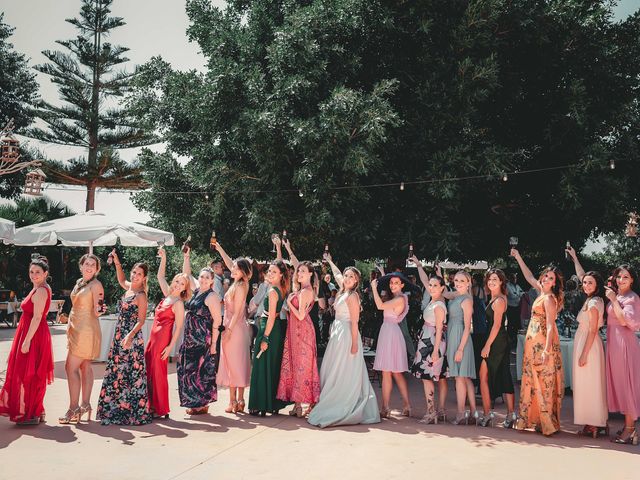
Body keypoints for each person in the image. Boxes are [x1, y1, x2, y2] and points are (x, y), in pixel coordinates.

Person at [308, 254, 380, 428]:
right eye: (346, 276)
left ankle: (342, 402)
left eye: (351, 277)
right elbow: (338, 274)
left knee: (342, 368)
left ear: (356, 281)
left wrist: (355, 344)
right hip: (337, 333)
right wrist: (331, 261)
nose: (347, 278)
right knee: (334, 367)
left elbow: (355, 322)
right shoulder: (344, 291)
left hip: (347, 334)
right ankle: (330, 396)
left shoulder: (352, 296)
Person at [511, 248, 564, 436]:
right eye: (545, 277)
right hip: (532, 344)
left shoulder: (549, 298)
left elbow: (550, 326)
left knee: (543, 380)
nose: (546, 280)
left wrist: (547, 350)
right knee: (532, 380)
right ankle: (533, 418)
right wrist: (518, 257)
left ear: (555, 282)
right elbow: (529, 276)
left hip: (542, 344)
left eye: (551, 278)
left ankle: (546, 421)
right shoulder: (540, 292)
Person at [96, 252, 152, 425]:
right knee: (117, 371)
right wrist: (117, 262)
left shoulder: (141, 295)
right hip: (120, 334)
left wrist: (129, 336)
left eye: (139, 274)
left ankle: (131, 412)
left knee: (130, 373)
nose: (135, 275)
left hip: (131, 337)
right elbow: (121, 279)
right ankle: (116, 409)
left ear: (144, 278)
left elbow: (142, 320)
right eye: (134, 272)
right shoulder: (128, 288)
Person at [0, 255, 53, 425]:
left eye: (38, 272)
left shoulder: (41, 290)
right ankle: (37, 410)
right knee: (30, 372)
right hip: (32, 333)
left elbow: (37, 317)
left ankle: (31, 413)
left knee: (28, 373)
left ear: (45, 273)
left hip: (33, 335)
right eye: (31, 271)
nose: (34, 275)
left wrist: (26, 341)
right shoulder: (39, 288)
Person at [565, 246, 608, 437]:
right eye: (584, 283)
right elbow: (583, 275)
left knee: (589, 384)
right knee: (588, 383)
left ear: (597, 285)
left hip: (588, 344)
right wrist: (574, 257)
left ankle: (594, 423)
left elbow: (592, 330)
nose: (585, 285)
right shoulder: (593, 299)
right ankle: (595, 422)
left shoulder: (593, 303)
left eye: (590, 283)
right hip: (587, 342)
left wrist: (583, 353)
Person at [59, 254, 105, 424]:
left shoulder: (96, 285)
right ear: (81, 266)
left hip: (86, 330)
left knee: (70, 367)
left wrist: (101, 309)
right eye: (86, 264)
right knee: (85, 366)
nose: (89, 267)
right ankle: (85, 405)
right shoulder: (80, 282)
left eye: (93, 265)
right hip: (76, 327)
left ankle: (73, 408)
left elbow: (98, 309)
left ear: (97, 269)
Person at [145, 247, 189, 420]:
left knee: (158, 373)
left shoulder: (178, 303)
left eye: (182, 284)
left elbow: (178, 327)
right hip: (152, 339)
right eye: (177, 281)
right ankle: (150, 405)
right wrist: (164, 257)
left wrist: (170, 347)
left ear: (185, 288)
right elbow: (159, 277)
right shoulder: (167, 296)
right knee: (150, 370)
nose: (178, 285)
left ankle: (161, 408)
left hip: (163, 340)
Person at [179, 247, 223, 415]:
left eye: (207, 277)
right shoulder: (197, 291)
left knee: (199, 371)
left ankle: (200, 404)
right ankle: (198, 403)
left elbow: (217, 321)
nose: (203, 279)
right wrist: (187, 257)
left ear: (212, 280)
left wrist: (213, 344)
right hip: (190, 337)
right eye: (202, 276)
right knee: (191, 370)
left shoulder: (211, 296)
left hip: (202, 339)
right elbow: (186, 275)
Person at [213, 242, 252, 414]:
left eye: (236, 268)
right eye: (233, 268)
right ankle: (233, 401)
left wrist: (228, 330)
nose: (233, 270)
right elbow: (229, 262)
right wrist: (220, 247)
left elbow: (237, 312)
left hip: (235, 327)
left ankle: (239, 400)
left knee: (237, 363)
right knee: (230, 363)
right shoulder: (237, 283)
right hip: (230, 326)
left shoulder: (242, 285)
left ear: (243, 271)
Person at [277, 261, 321, 416]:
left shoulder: (306, 291)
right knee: (296, 366)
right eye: (298, 271)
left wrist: (289, 302)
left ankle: (307, 403)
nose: (299, 274)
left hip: (303, 332)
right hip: (295, 331)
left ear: (310, 274)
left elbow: (301, 315)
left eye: (303, 271)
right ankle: (297, 405)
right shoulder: (301, 290)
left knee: (304, 366)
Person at [248, 260, 290, 416]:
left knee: (261, 365)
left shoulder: (273, 291)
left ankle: (261, 404)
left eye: (274, 272)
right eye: (269, 271)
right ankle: (269, 403)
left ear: (281, 275)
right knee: (271, 366)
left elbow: (271, 316)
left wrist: (265, 337)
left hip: (269, 328)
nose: (270, 274)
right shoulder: (280, 288)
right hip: (276, 328)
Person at [604, 264, 640, 445]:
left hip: (624, 345)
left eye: (625, 277)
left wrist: (614, 301)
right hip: (614, 344)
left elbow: (629, 322)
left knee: (627, 385)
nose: (621, 280)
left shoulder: (632, 298)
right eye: (619, 276)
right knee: (619, 384)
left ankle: (631, 429)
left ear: (632, 279)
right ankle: (629, 426)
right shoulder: (618, 296)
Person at [371, 273, 412, 418]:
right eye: (391, 283)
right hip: (387, 331)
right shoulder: (395, 298)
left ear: (402, 285)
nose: (393, 285)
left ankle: (404, 405)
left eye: (396, 283)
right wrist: (383, 275)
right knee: (388, 372)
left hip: (392, 333)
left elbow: (380, 305)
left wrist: (373, 288)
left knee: (396, 372)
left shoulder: (400, 298)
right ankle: (386, 406)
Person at [478, 269, 515, 428]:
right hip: (496, 339)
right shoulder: (494, 297)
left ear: (501, 282)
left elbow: (497, 325)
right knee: (493, 376)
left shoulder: (499, 300)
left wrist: (487, 346)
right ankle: (500, 414)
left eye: (494, 279)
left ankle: (491, 415)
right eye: (489, 279)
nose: (491, 282)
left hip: (497, 341)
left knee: (491, 376)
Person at [410, 274, 448, 424]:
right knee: (429, 377)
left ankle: (432, 412)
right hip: (426, 339)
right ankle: (433, 411)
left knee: (428, 376)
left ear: (442, 288)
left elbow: (439, 330)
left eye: (435, 285)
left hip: (432, 342)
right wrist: (419, 265)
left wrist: (435, 350)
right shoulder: (434, 301)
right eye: (430, 285)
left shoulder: (439, 305)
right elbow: (425, 281)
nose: (431, 287)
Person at [443, 271, 478, 424]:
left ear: (468, 282)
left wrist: (460, 349)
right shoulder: (456, 294)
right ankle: (473, 412)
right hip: (452, 334)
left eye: (461, 280)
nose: (457, 282)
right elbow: (444, 293)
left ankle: (461, 413)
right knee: (465, 377)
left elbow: (467, 327)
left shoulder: (466, 300)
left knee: (459, 377)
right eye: (456, 280)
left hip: (460, 338)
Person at [506, 272, 524, 347]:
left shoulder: (517, 286)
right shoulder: (507, 286)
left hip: (517, 307)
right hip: (510, 307)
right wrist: (518, 295)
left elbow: (522, 293)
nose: (514, 279)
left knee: (517, 323)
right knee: (510, 323)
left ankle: (516, 339)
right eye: (513, 278)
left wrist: (518, 295)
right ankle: (509, 339)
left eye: (515, 278)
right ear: (510, 279)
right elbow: (512, 296)